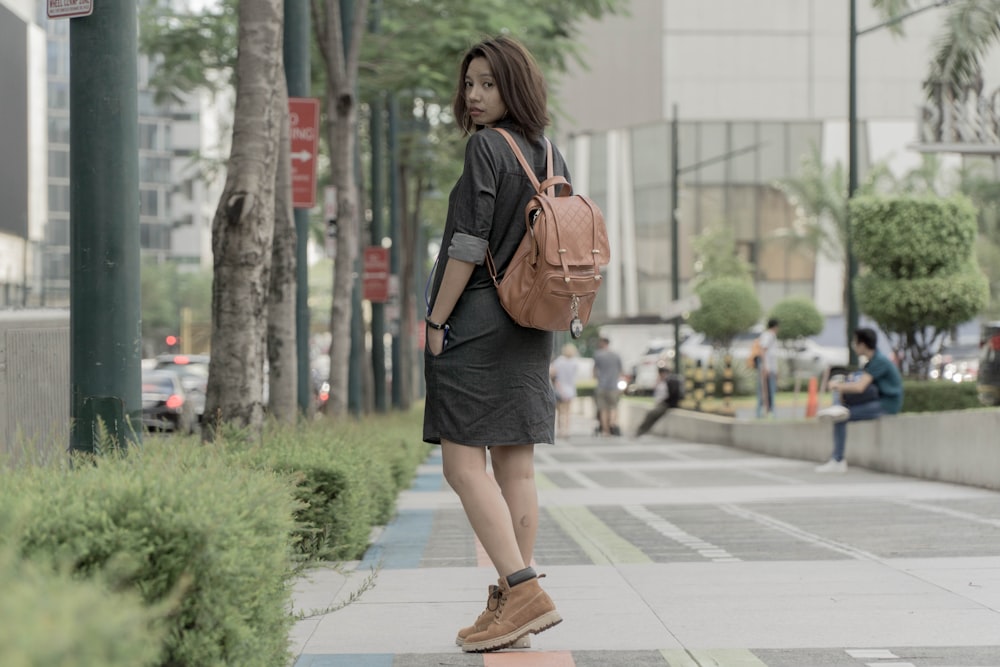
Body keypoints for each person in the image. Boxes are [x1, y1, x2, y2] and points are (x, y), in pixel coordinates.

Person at [421, 36, 563, 653]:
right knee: (516, 466)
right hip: (533, 323)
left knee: (460, 465)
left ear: (515, 87)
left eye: (488, 84)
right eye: (470, 84)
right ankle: (512, 608)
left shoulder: (486, 146)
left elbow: (468, 244)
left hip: (478, 318)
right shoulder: (550, 153)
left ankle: (522, 587)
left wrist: (435, 317)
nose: (475, 96)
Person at [814, 327, 904, 473]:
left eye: (855, 343)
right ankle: (837, 458)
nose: (854, 346)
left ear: (862, 345)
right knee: (840, 412)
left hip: (886, 405)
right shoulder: (873, 361)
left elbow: (860, 387)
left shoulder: (878, 361)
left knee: (840, 416)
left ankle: (838, 460)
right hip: (879, 401)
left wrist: (838, 385)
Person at [634, 366, 682, 437]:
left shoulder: (670, 381)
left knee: (651, 414)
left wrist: (664, 401)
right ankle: (642, 430)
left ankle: (641, 431)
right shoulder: (662, 382)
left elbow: (673, 394)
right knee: (651, 414)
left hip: (666, 404)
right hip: (661, 403)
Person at [592, 336, 624, 436]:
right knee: (613, 407)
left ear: (602, 343)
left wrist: (598, 378)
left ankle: (606, 431)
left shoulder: (598, 355)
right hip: (613, 386)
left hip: (601, 386)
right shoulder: (616, 355)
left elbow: (594, 371)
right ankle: (612, 424)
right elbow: (621, 371)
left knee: (603, 409)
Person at [550, 343, 579, 438]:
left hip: (559, 389)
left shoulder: (559, 361)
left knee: (559, 412)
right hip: (570, 389)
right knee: (567, 412)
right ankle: (567, 430)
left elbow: (552, 373)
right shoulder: (574, 362)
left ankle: (559, 430)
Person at [756, 318, 780, 419]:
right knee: (764, 391)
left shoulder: (771, 336)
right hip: (767, 369)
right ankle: (761, 412)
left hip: (771, 368)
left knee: (770, 391)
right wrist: (765, 367)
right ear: (775, 326)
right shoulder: (768, 335)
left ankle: (769, 412)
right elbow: (763, 351)